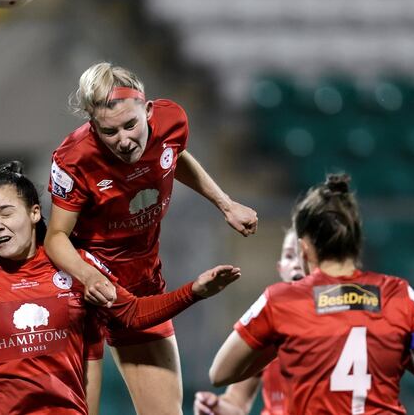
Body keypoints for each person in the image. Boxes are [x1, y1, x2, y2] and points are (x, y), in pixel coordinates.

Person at [0, 162, 242, 415]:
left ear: (34, 212)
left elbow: (131, 313)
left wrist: (195, 291)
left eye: (5, 212)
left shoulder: (74, 265)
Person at [44, 62, 259, 414]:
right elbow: (55, 238)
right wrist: (88, 277)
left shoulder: (170, 121)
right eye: (109, 132)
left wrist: (225, 203)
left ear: (148, 110)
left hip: (142, 280)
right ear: (92, 124)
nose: (125, 140)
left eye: (131, 125)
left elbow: (174, 154)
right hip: (85, 290)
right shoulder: (75, 158)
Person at [209, 174, 414, 414]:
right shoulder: (399, 294)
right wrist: (401, 352)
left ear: (304, 248)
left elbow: (219, 374)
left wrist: (281, 343)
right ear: (355, 242)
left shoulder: (281, 301)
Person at [193, 229, 303, 415]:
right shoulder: (271, 319)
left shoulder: (349, 317)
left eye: (303, 256)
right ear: (279, 267)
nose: (296, 265)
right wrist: (218, 408)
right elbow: (237, 401)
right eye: (289, 256)